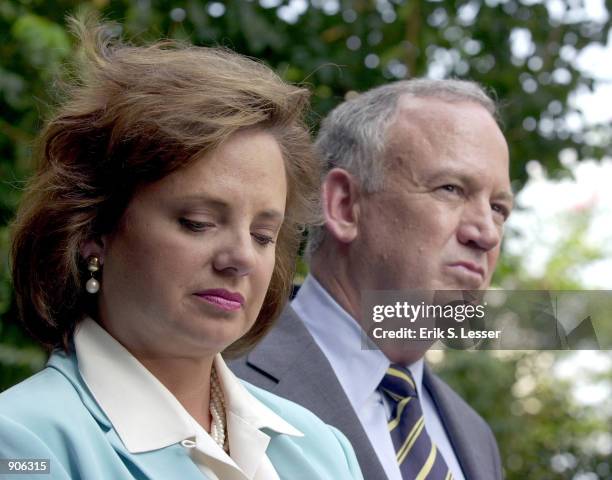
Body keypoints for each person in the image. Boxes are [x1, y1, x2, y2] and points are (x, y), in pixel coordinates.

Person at [0, 18, 364, 480]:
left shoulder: (324, 450)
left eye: (263, 235)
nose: (242, 258)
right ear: (93, 229)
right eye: (199, 223)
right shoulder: (18, 443)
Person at [230, 79, 513, 480]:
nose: (487, 233)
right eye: (451, 189)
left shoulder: (475, 436)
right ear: (345, 206)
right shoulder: (215, 373)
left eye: (499, 208)